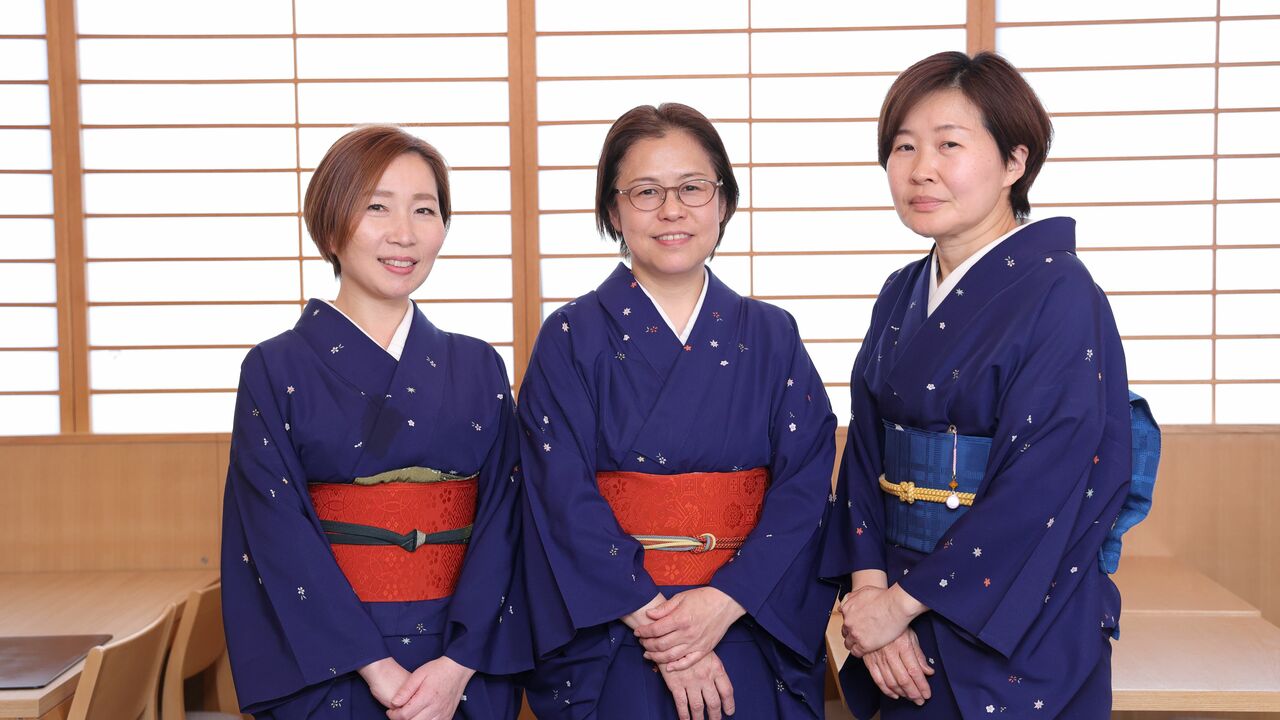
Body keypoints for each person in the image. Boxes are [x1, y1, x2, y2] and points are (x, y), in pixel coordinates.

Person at [821, 51, 1159, 718]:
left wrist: (901, 605)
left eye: (949, 144)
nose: (921, 168)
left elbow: (1046, 485)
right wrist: (869, 596)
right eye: (904, 146)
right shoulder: (900, 292)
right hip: (896, 618)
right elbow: (865, 455)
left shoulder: (1062, 294)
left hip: (1014, 616)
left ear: (1014, 162)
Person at [518, 103, 838, 719]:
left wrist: (724, 601)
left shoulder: (772, 334)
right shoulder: (570, 336)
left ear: (723, 202)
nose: (672, 210)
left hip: (747, 615)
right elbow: (558, 494)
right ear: (613, 211)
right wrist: (663, 631)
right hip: (617, 627)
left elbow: (804, 487)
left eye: (693, 187)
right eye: (646, 192)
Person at [220, 125, 529, 719]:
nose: (404, 234)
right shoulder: (275, 368)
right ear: (331, 223)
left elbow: (505, 523)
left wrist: (458, 665)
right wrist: (379, 671)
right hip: (332, 666)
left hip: (460, 661)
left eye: (425, 210)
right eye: (377, 207)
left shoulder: (478, 365)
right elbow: (276, 535)